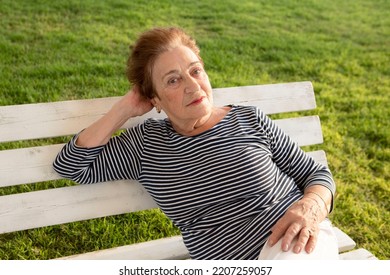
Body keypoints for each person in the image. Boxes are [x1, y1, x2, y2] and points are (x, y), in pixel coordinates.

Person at [53, 27, 338, 260]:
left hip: (298, 246)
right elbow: (71, 165)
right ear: (155, 100)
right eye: (173, 81)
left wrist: (310, 206)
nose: (192, 86)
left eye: (195, 71)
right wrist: (125, 109)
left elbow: (317, 175)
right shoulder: (146, 146)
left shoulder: (248, 119)